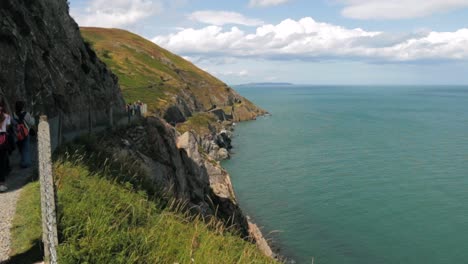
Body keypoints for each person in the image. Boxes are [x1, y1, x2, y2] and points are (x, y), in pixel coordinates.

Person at [14, 101, 35, 168]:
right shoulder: (26, 114)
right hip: (25, 133)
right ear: (22, 107)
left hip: (17, 134)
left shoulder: (14, 114)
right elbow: (32, 122)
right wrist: (32, 117)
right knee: (26, 149)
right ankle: (26, 163)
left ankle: (23, 161)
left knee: (21, 149)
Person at [0, 100, 11, 192]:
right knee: (2, 162)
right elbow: (7, 128)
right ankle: (2, 183)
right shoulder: (6, 116)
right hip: (3, 139)